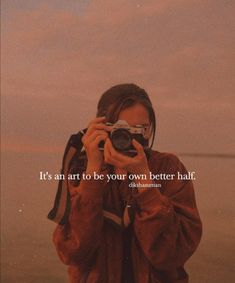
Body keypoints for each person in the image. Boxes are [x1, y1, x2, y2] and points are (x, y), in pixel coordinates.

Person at [51, 83, 202, 283]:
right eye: (120, 128)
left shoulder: (168, 167)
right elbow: (71, 253)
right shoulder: (81, 169)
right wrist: (93, 174)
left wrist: (145, 180)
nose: (128, 137)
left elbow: (171, 255)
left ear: (150, 129)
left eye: (139, 128)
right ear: (101, 127)